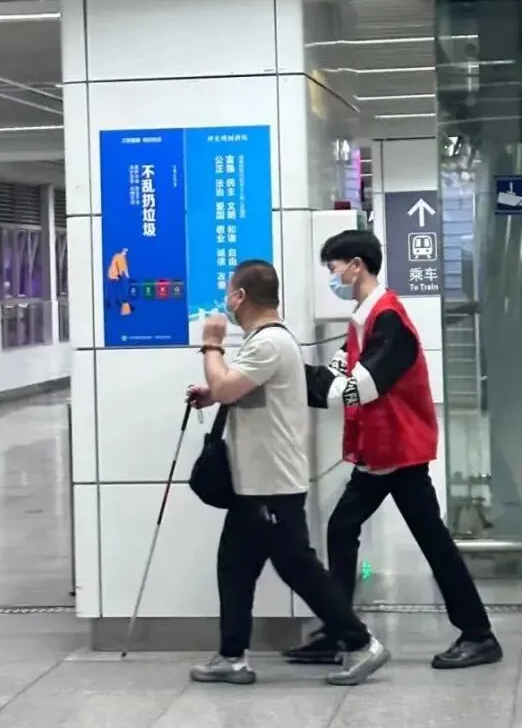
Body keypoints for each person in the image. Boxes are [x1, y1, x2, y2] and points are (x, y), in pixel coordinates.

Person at [288, 228, 503, 672]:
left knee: (429, 541)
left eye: (333, 267)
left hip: (398, 450)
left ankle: (478, 634)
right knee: (344, 528)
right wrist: (288, 372)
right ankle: (340, 630)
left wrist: (289, 372)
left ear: (356, 266)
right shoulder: (363, 319)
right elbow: (336, 374)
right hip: (379, 449)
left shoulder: (389, 320)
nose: (331, 276)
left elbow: (357, 388)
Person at [187, 257, 389, 688]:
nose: (225, 301)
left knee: (299, 568)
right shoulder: (267, 342)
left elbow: (227, 384)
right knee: (234, 566)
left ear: (241, 296)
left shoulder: (269, 342)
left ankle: (360, 643)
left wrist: (211, 345)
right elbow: (238, 390)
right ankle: (231, 656)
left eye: (229, 292)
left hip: (272, 483)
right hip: (254, 483)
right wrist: (214, 394)